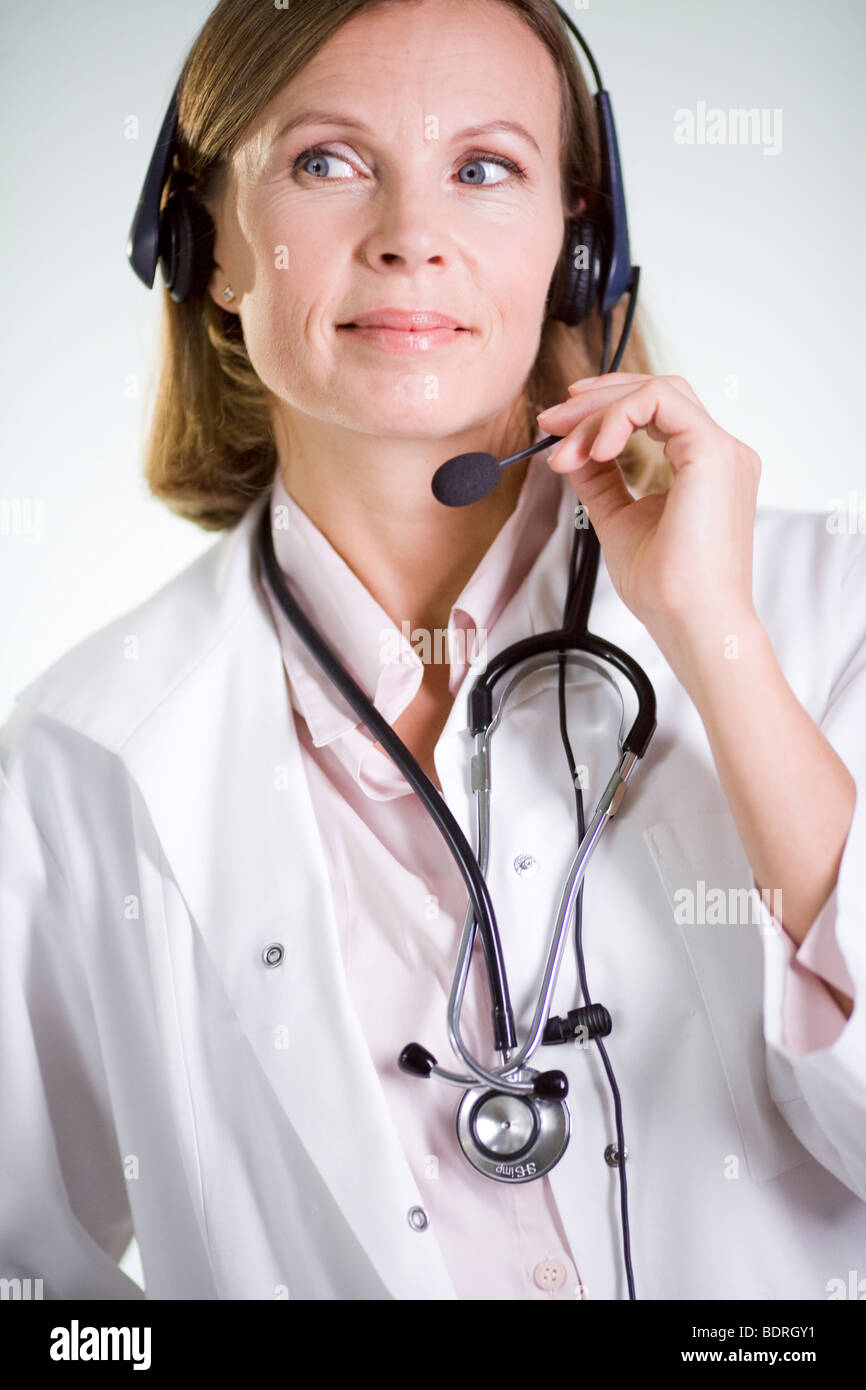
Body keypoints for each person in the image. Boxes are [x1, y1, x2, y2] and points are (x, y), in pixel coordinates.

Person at [1, 0, 864, 1302]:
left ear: (580, 252)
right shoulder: (74, 761)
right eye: (327, 162)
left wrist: (719, 642)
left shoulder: (823, 609)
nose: (410, 237)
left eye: (482, 169)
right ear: (205, 246)